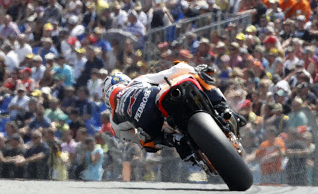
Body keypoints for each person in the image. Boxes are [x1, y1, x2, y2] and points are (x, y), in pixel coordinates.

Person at [102, 62, 245, 159]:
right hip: (157, 96)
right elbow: (171, 72)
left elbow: (137, 140)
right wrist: (194, 69)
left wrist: (155, 140)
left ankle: (178, 140)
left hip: (147, 121)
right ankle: (224, 108)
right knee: (195, 76)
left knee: (149, 143)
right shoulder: (136, 81)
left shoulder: (113, 119)